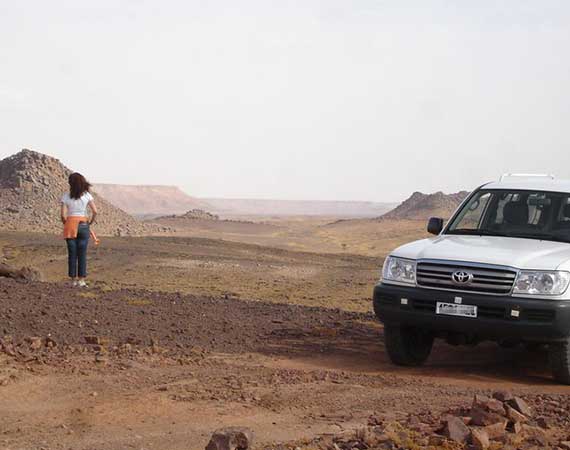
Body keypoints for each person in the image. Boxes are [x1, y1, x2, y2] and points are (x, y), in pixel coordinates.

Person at [60, 172, 98, 287]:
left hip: (70, 224)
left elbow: (62, 215)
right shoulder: (87, 195)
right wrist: (89, 222)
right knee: (82, 254)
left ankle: (73, 280)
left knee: (72, 254)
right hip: (83, 224)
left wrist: (67, 224)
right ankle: (81, 280)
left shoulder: (66, 196)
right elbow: (95, 211)